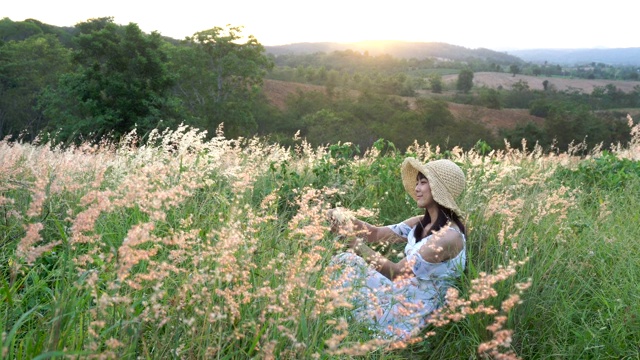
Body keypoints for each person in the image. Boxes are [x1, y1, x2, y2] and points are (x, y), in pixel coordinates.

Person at [327, 157, 467, 339]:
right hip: (404, 291)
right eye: (417, 182)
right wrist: (344, 219)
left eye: (423, 183)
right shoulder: (421, 223)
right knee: (345, 262)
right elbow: (375, 233)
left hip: (415, 307)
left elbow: (397, 272)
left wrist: (356, 246)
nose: (417, 188)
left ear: (439, 190)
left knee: (348, 261)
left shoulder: (448, 237)